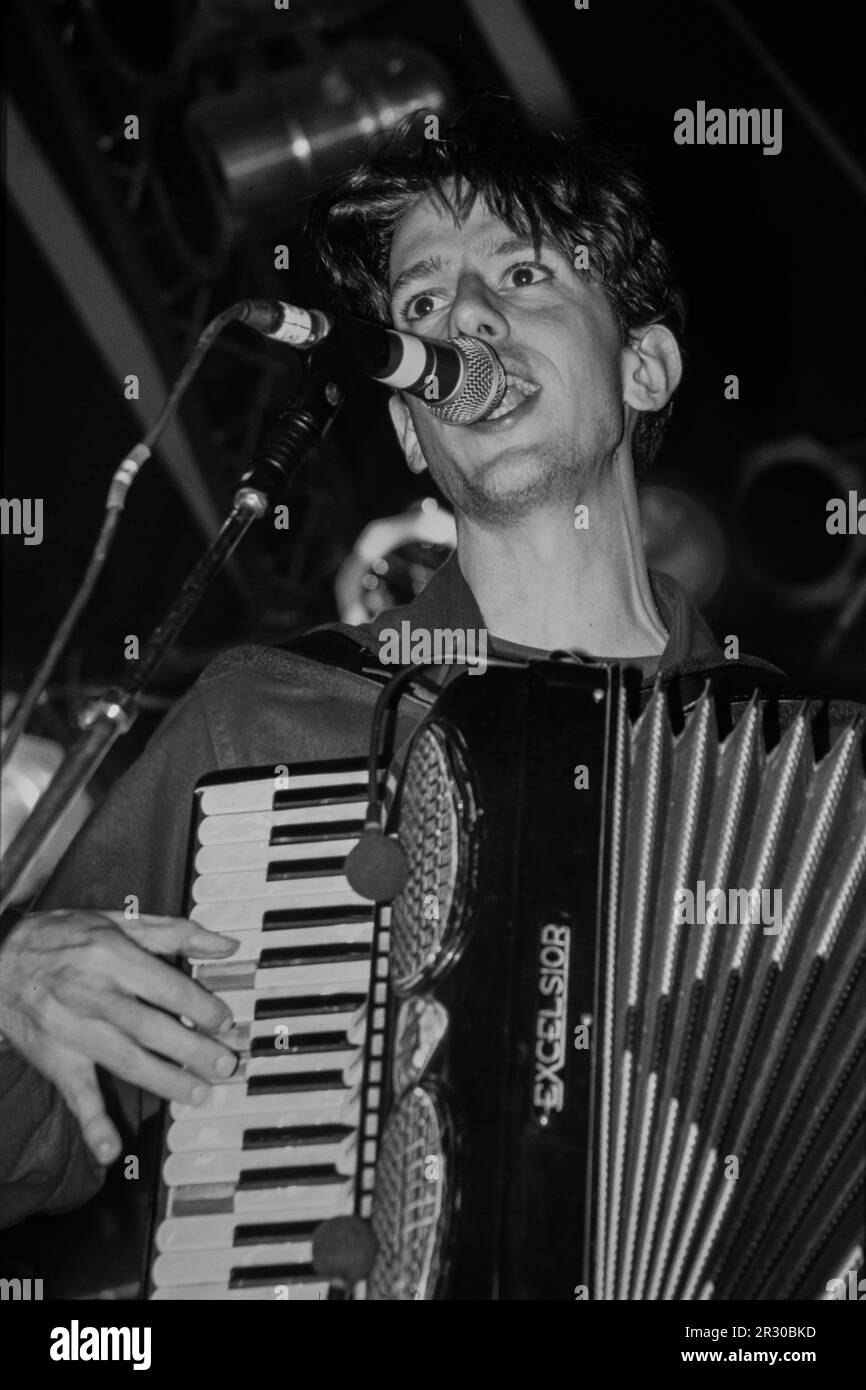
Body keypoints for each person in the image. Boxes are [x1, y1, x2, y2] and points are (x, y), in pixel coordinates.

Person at [0, 98, 776, 1228]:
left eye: (519, 277)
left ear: (643, 368)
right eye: (421, 302)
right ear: (412, 431)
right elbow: (33, 1145)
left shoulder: (787, 775)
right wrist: (13, 983)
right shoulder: (265, 723)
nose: (461, 315)